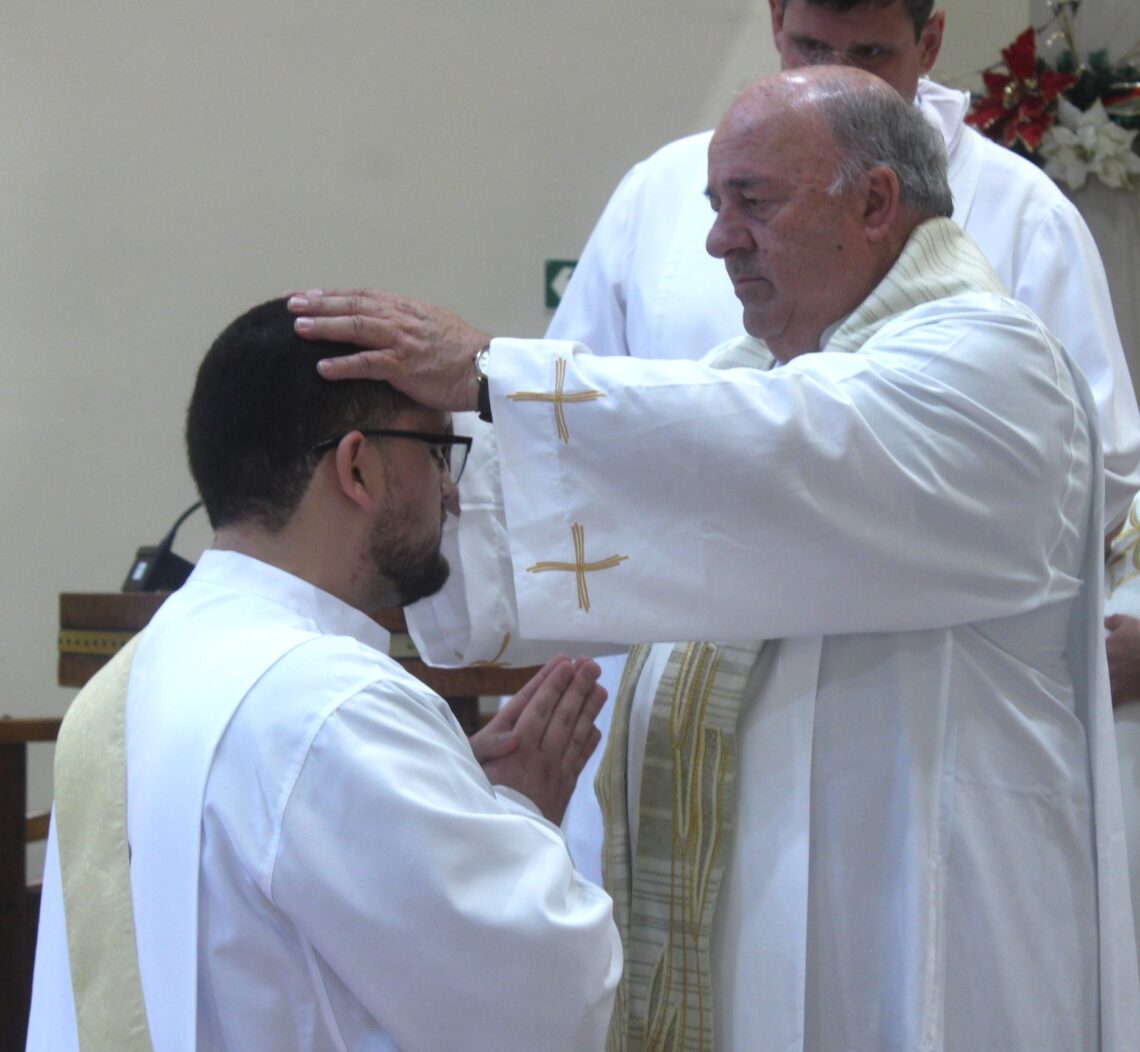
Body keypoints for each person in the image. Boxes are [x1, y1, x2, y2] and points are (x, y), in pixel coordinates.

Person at [288, 67, 1139, 1050]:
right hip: (769, 922)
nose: (719, 240)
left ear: (875, 203)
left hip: (929, 924)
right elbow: (714, 448)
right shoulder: (765, 376)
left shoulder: (997, 368)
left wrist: (491, 373)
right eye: (714, 205)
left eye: (753, 202)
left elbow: (786, 447)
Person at [547, 0, 1140, 884]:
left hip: (903, 715)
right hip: (675, 692)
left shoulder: (1020, 213)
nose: (839, 73)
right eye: (810, 46)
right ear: (774, 22)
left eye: (870, 51)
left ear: (929, 42)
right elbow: (574, 436)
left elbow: (1094, 470)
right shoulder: (659, 195)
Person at [25, 298, 622, 1052]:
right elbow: (551, 1001)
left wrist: (446, 794)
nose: (449, 492)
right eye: (437, 453)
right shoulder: (333, 708)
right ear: (357, 467)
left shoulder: (141, 671)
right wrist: (518, 814)